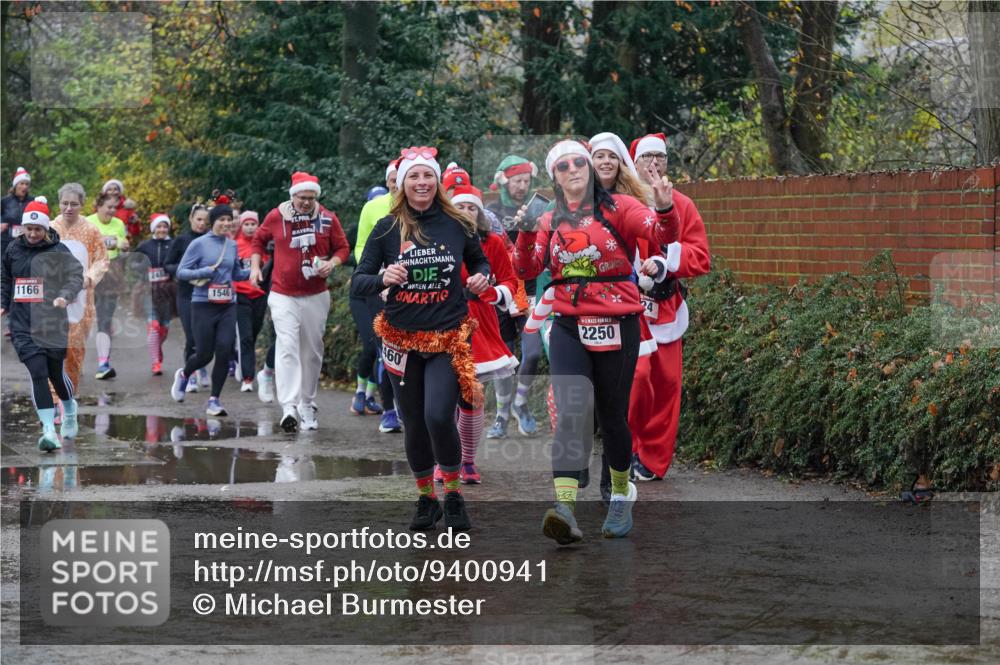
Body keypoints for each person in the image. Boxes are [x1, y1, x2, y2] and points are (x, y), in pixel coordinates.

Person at [512, 139, 679, 544]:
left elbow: (659, 235)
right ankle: (565, 508)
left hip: (618, 321)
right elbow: (527, 267)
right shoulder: (549, 217)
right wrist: (523, 232)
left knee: (612, 416)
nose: (574, 169)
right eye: (564, 165)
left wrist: (663, 206)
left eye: (580, 162)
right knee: (571, 413)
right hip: (569, 323)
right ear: (554, 176)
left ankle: (621, 494)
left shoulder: (620, 208)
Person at [351, 146, 491, 532]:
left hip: (446, 337)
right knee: (414, 421)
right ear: (403, 184)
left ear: (437, 182)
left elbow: (480, 262)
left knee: (437, 416)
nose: (421, 182)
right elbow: (358, 280)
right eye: (414, 176)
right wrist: (383, 279)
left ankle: (454, 495)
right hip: (400, 340)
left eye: (427, 176)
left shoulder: (457, 223)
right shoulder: (386, 227)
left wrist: (482, 278)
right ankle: (426, 499)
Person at [627, 132, 711, 483]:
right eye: (646, 158)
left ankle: (653, 460)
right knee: (634, 383)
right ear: (633, 164)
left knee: (666, 383)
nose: (653, 164)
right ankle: (624, 450)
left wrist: (666, 263)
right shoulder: (621, 203)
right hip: (626, 308)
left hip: (665, 308)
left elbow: (701, 256)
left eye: (659, 157)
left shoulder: (683, 204)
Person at [249, 171, 349, 432]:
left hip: (316, 294)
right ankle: (289, 407)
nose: (306, 202)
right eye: (301, 197)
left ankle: (307, 403)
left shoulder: (327, 219)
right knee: (287, 346)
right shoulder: (276, 217)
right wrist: (255, 268)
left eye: (310, 198)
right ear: (292, 196)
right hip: (283, 294)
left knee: (312, 352)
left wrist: (332, 263)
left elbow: (343, 248)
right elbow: (258, 241)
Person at [447, 184, 518, 484]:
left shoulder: (492, 243)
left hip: (480, 322)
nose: (466, 212)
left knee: (472, 395)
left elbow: (510, 281)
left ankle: (468, 460)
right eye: (460, 207)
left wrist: (493, 291)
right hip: (443, 321)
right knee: (443, 397)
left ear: (480, 213)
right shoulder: (436, 239)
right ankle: (444, 459)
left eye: (472, 208)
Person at [1, 198, 84, 451]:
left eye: (38, 229)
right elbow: (4, 278)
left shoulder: (58, 251)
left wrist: (66, 296)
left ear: (46, 229)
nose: (34, 233)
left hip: (52, 320)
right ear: (24, 227)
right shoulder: (13, 249)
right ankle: (49, 430)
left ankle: (69, 408)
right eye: (29, 228)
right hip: (22, 322)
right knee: (37, 372)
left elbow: (75, 275)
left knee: (55, 373)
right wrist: (3, 303)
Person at [170, 201, 249, 416]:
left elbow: (236, 273)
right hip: (203, 303)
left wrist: (254, 270)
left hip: (227, 304)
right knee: (204, 353)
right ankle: (185, 374)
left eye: (229, 220)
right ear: (212, 222)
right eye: (221, 220)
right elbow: (181, 272)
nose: (226, 224)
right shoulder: (199, 244)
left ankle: (214, 400)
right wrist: (203, 271)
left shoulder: (231, 245)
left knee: (224, 350)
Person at [485, 155, 543, 440]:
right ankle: (501, 414)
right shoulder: (490, 211)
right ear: (504, 181)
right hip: (501, 293)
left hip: (530, 291)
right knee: (503, 360)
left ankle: (521, 402)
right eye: (516, 180)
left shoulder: (537, 207)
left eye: (526, 180)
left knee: (532, 352)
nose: (522, 185)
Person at [350, 159, 401, 426]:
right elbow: (360, 246)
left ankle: (406, 406)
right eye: (392, 179)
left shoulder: (422, 208)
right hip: (377, 286)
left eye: (399, 179)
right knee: (384, 346)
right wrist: (378, 275)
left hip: (410, 288)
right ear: (387, 181)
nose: (395, 184)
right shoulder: (373, 207)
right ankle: (389, 410)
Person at [50, 183, 109, 400]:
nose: (68, 208)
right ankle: (54, 400)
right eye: (64, 203)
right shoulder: (50, 228)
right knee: (54, 349)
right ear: (59, 204)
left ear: (82, 205)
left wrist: (89, 278)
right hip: (54, 296)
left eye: (73, 204)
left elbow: (102, 259)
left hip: (82, 297)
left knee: (74, 352)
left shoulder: (91, 230)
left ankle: (68, 400)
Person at [165, 203, 211, 392]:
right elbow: (167, 265)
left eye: (206, 221)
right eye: (198, 219)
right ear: (191, 219)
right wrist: (186, 272)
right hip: (185, 295)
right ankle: (190, 374)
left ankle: (201, 367)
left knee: (206, 336)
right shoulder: (181, 240)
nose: (201, 224)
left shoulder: (212, 240)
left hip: (207, 294)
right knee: (191, 336)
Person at [86, 192, 129, 379]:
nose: (112, 211)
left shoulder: (119, 224)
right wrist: (106, 241)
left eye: (114, 207)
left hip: (111, 275)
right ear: (99, 206)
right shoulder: (87, 221)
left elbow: (124, 245)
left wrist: (122, 244)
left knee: (105, 320)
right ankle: (73, 361)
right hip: (89, 276)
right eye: (109, 207)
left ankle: (103, 363)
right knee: (83, 321)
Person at [131, 213, 176, 375]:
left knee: (164, 326)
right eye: (159, 226)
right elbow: (134, 261)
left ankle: (157, 349)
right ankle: (155, 362)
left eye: (165, 226)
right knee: (154, 326)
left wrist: (172, 269)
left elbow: (181, 262)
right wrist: (142, 268)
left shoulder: (173, 244)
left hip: (168, 290)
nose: (162, 229)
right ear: (153, 228)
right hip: (147, 289)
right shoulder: (145, 245)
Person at [234, 210, 268, 392]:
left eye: (253, 224)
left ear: (258, 225)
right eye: (246, 224)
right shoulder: (235, 245)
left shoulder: (264, 246)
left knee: (253, 335)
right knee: (246, 337)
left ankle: (243, 359)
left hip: (259, 295)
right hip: (241, 295)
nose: (249, 227)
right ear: (241, 225)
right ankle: (247, 379)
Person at [1, 167, 35, 259]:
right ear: (16, 185)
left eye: (27, 184)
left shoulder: (33, 201)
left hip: (26, 240)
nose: (24, 187)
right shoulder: (5, 201)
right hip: (6, 241)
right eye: (22, 183)